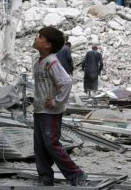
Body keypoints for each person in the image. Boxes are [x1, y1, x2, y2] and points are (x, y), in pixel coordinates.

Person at [32, 26, 87, 186]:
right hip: (40, 110)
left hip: (51, 112)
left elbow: (66, 82)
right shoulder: (39, 62)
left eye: (40, 36)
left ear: (48, 44)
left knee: (52, 144)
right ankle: (45, 177)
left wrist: (57, 101)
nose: (36, 38)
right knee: (40, 146)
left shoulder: (52, 62)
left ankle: (76, 174)